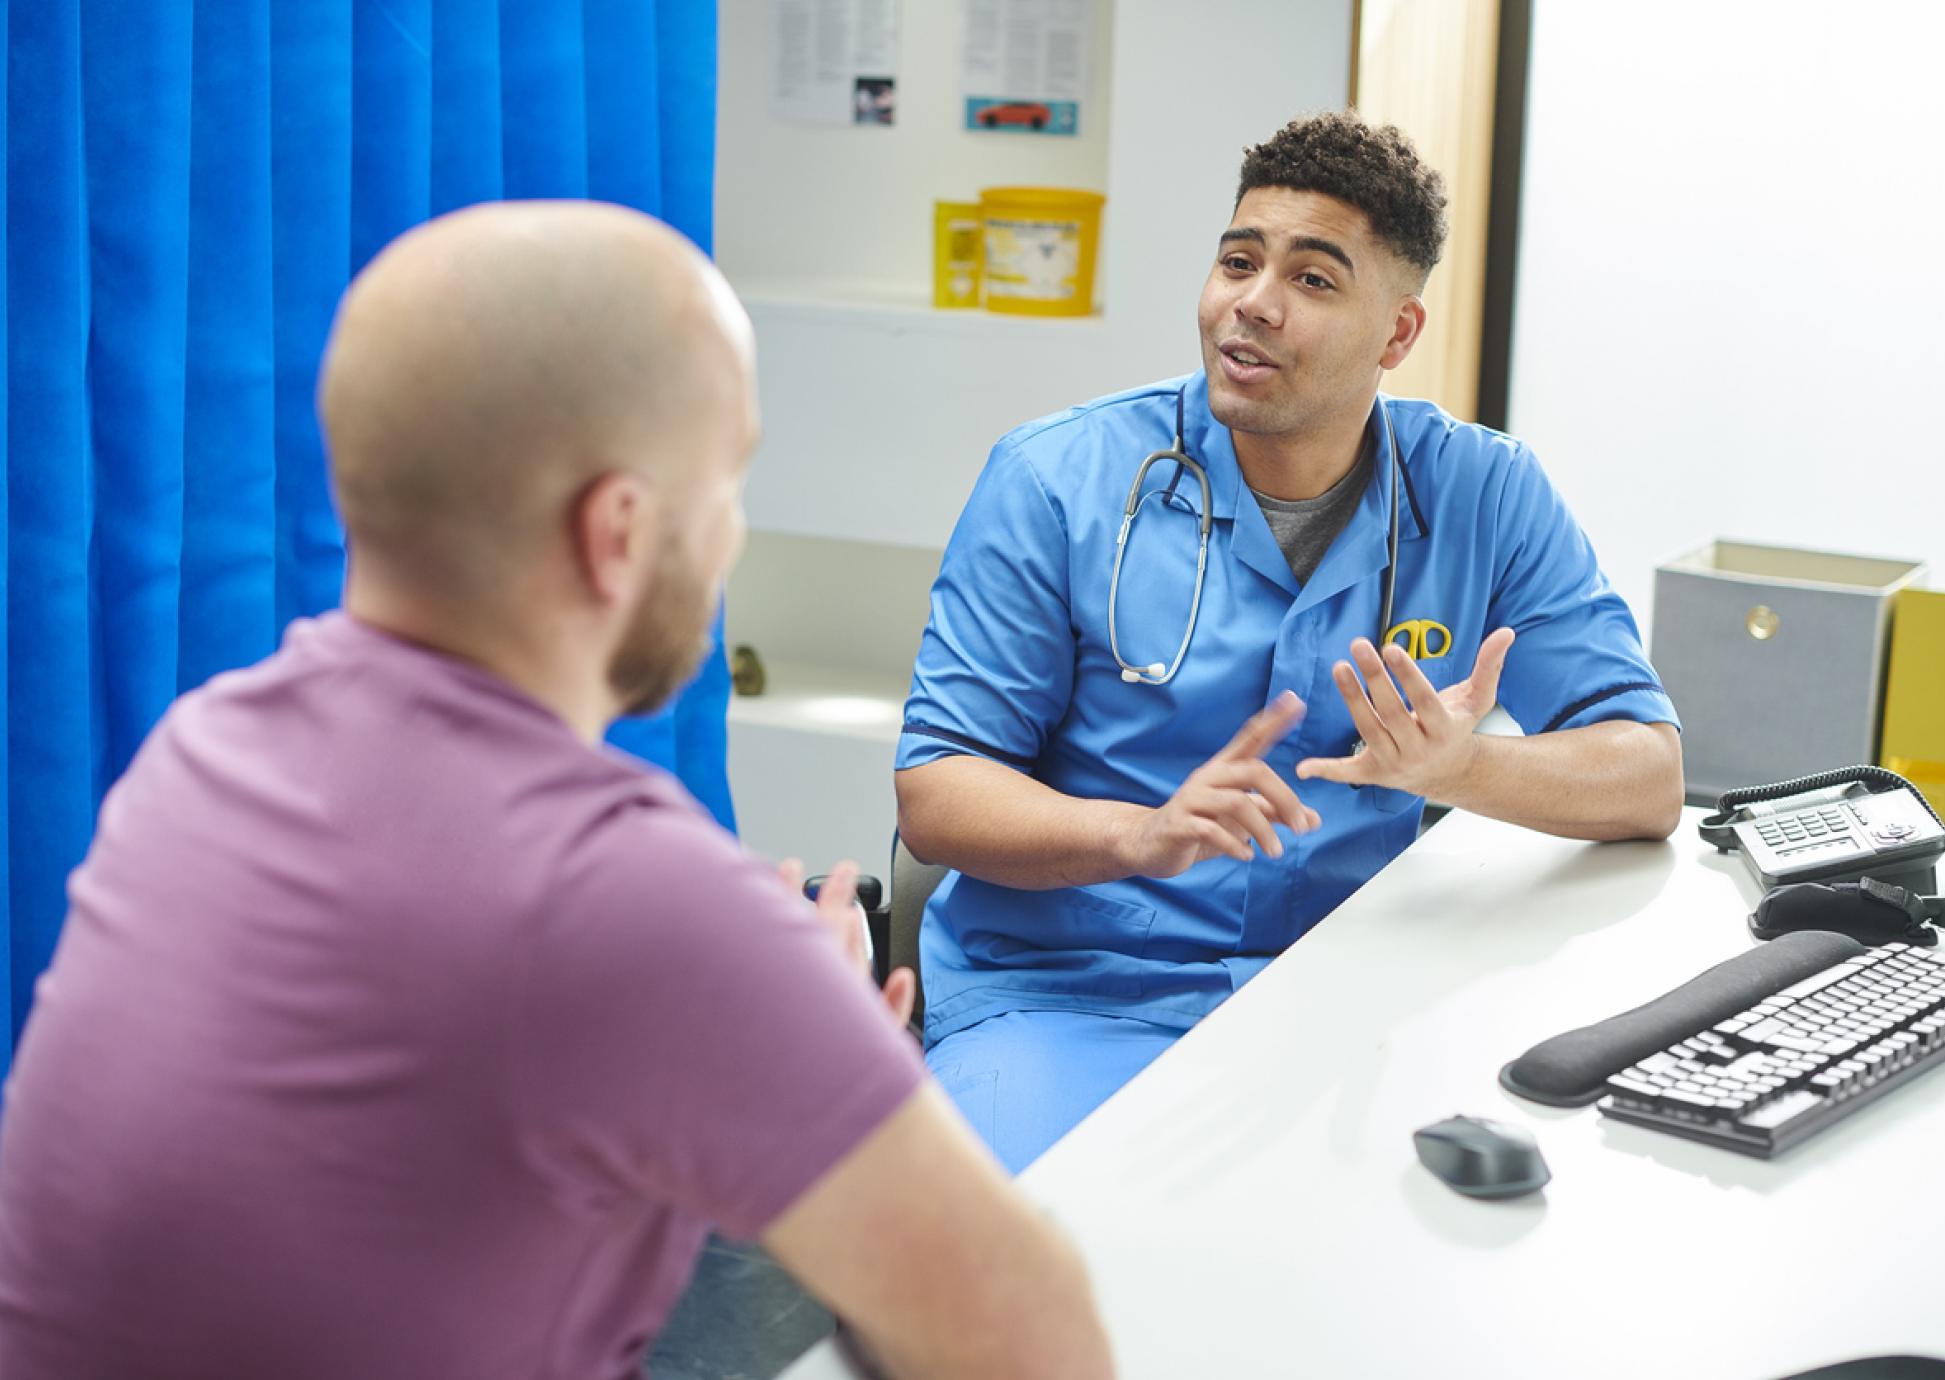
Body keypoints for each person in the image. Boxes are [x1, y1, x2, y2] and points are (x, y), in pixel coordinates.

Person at [0, 202, 1113, 1380]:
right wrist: (829, 1048)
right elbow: (1037, 1347)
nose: (729, 536)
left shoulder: (197, 757)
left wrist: (769, 1041)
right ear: (618, 530)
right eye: (726, 481)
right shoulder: (628, 896)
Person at [896, 111, 1686, 1174]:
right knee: (1034, 1281)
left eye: (1313, 281)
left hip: (1345, 1004)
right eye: (1237, 260)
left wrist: (1464, 767)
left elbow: (1646, 776)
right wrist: (1137, 837)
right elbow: (937, 792)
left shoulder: (1484, 495)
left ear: (1396, 335)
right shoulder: (1054, 481)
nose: (1250, 305)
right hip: (1070, 999)